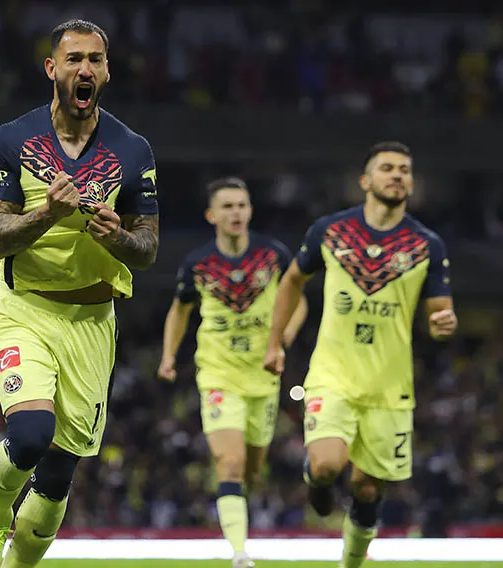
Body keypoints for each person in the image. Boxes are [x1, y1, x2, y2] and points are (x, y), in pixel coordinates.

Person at [0, 18, 159, 568]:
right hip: (24, 312)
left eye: (95, 60)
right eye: (74, 59)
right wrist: (47, 213)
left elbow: (147, 248)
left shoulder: (132, 150)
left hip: (93, 324)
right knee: (29, 435)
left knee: (56, 477)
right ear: (52, 68)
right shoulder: (11, 140)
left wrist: (118, 235)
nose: (85, 69)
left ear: (106, 72)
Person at [264, 142, 457, 568]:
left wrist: (445, 324)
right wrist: (275, 341)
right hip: (333, 376)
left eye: (404, 169)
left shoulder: (427, 245)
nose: (397, 175)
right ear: (365, 181)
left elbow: (440, 314)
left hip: (390, 388)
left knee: (369, 490)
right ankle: (316, 482)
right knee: (329, 464)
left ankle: (350, 564)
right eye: (387, 168)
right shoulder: (329, 232)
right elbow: (292, 281)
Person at [158, 177, 307, 568]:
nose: (235, 212)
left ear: (250, 210)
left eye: (241, 205)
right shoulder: (197, 263)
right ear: (211, 215)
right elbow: (180, 310)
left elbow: (299, 301)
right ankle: (240, 554)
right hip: (219, 375)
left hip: (263, 377)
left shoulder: (273, 255)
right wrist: (168, 357)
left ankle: (238, 515)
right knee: (230, 463)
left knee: (253, 471)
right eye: (227, 206)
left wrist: (283, 339)